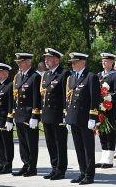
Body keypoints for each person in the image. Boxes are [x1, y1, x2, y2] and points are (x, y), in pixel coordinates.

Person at [65, 52, 100, 185]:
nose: (73, 64)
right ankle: (82, 172)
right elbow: (69, 99)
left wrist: (93, 117)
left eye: (75, 62)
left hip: (86, 119)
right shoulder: (72, 78)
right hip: (74, 118)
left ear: (83, 62)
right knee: (78, 147)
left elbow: (94, 98)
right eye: (72, 62)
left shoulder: (91, 77)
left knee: (87, 148)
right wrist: (68, 117)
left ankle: (89, 175)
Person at [40, 48, 70, 180]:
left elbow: (66, 96)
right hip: (47, 114)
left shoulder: (64, 73)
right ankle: (54, 167)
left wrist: (65, 114)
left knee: (60, 143)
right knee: (50, 143)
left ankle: (61, 169)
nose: (46, 60)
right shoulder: (46, 75)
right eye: (45, 58)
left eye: (49, 58)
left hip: (58, 114)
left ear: (56, 59)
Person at [12, 53, 41, 177]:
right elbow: (15, 97)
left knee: (31, 143)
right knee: (23, 143)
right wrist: (13, 114)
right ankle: (25, 164)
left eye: (21, 61)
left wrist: (35, 116)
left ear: (28, 62)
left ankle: (32, 167)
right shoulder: (18, 77)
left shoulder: (34, 76)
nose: (19, 64)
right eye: (18, 62)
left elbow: (36, 98)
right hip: (19, 115)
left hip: (29, 116)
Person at [96, 53, 116, 168]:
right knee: (101, 131)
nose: (104, 63)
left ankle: (109, 158)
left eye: (106, 61)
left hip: (110, 108)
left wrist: (108, 98)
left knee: (109, 131)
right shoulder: (98, 75)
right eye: (103, 61)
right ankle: (103, 156)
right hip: (99, 108)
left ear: (112, 62)